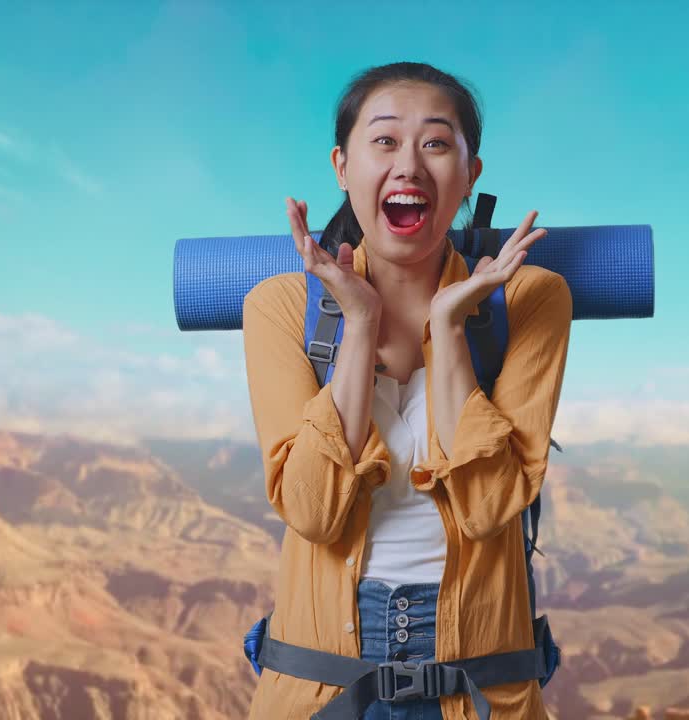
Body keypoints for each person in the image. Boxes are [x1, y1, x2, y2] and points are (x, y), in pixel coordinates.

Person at [242, 61, 571, 720]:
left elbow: (487, 506)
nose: (410, 166)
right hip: (321, 694)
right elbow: (312, 511)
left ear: (471, 173)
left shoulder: (531, 298)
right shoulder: (278, 307)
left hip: (482, 694)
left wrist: (449, 329)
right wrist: (358, 326)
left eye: (437, 143)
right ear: (343, 166)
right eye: (385, 141)